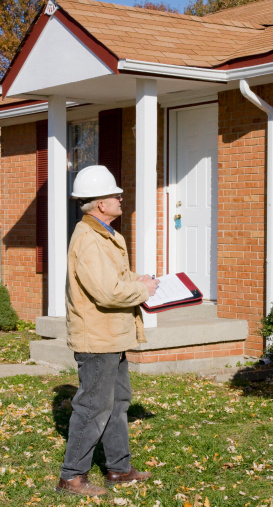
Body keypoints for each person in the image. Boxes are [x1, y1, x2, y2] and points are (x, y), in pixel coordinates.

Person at [56, 165, 159, 497]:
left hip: (112, 336)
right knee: (93, 407)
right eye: (115, 194)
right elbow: (107, 292)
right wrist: (142, 291)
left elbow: (115, 280)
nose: (120, 198)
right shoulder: (88, 240)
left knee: (118, 403)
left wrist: (141, 281)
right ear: (100, 204)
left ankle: (118, 469)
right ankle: (71, 477)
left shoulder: (107, 235)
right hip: (97, 339)